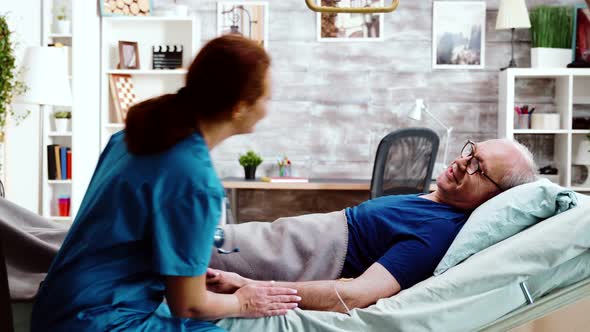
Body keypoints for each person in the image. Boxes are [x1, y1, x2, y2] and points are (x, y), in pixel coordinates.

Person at [31, 35, 301, 332]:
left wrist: (180, 271)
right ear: (239, 107)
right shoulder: (195, 180)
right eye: (266, 99)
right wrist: (245, 302)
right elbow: (189, 304)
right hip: (97, 321)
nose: (267, 108)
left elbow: (119, 233)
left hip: (55, 307)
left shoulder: (129, 137)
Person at [207, 139, 537, 313]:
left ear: (495, 195)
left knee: (180, 245)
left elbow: (354, 294)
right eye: (471, 151)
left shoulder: (437, 232)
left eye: (478, 166)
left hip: (298, 253)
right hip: (287, 236)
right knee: (175, 241)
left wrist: (245, 285)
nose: (462, 162)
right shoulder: (434, 201)